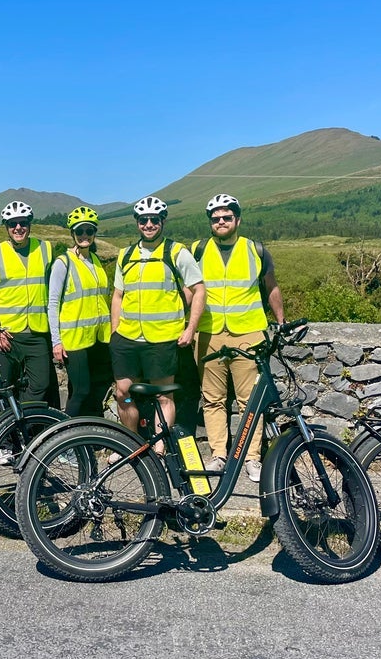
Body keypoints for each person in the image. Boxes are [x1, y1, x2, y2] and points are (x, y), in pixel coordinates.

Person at [193, 193, 285, 480]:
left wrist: (281, 321)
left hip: (248, 333)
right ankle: (218, 454)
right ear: (210, 222)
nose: (221, 221)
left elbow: (271, 287)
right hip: (208, 333)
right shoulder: (197, 250)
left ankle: (251, 457)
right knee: (212, 399)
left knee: (250, 401)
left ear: (237, 220)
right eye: (215, 218)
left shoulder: (255, 250)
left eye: (226, 217)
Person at [109, 195, 205, 441]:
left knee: (164, 397)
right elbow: (118, 296)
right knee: (123, 393)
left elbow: (199, 289)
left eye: (154, 220)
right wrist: (114, 331)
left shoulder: (176, 252)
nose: (149, 224)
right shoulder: (125, 255)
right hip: (128, 338)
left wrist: (190, 328)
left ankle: (161, 448)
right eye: (143, 220)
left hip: (162, 339)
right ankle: (130, 442)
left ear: (163, 221)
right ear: (137, 222)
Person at [0, 200, 55, 408]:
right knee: (2, 389)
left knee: (40, 384)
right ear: (6, 227)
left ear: (29, 225)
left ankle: (25, 427)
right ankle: (1, 439)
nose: (18, 228)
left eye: (22, 223)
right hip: (6, 334)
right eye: (12, 224)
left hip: (37, 332)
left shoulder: (46, 249)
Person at [47, 206, 113, 417]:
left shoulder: (95, 261)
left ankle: (88, 435)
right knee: (82, 390)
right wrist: (56, 341)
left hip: (98, 338)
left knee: (94, 388)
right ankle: (65, 439)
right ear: (72, 234)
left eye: (89, 231)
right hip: (73, 340)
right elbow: (53, 303)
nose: (84, 235)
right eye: (79, 231)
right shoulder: (63, 262)